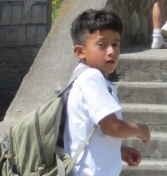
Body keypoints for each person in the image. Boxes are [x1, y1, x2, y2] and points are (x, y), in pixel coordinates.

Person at [65, 9, 151, 176]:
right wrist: (140, 130)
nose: (111, 51)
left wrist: (119, 151)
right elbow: (112, 126)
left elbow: (94, 132)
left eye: (115, 44)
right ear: (80, 51)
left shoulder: (89, 79)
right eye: (102, 45)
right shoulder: (91, 78)